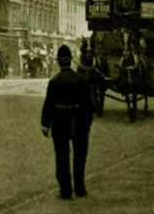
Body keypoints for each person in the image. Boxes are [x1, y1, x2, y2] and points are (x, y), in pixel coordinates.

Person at [41, 45, 93, 200]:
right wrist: (87, 124)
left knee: (62, 157)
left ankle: (65, 190)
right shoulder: (81, 80)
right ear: (71, 60)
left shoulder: (54, 81)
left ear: (58, 62)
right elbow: (89, 105)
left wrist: (45, 124)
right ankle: (80, 188)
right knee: (80, 156)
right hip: (79, 122)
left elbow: (48, 104)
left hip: (60, 122)